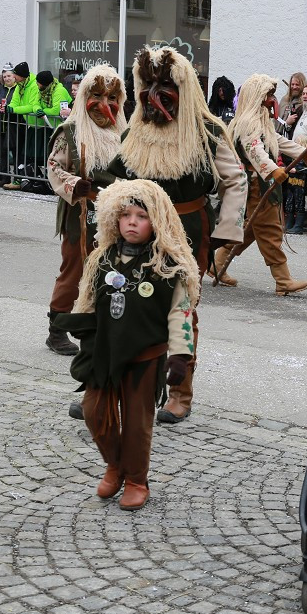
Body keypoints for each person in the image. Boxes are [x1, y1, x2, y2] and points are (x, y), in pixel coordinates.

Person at [108, 47, 247, 425]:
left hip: (188, 229)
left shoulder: (207, 130)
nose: (155, 91)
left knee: (181, 307)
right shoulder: (136, 130)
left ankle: (180, 393)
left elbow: (235, 180)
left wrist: (225, 231)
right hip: (137, 231)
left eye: (165, 83)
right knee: (132, 305)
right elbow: (117, 178)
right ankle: (128, 387)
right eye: (148, 83)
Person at [54, 180, 198, 510]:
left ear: (157, 221)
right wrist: (82, 327)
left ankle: (136, 479)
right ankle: (114, 464)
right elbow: (87, 299)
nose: (132, 222)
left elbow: (182, 312)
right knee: (94, 411)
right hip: (104, 351)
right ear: (113, 220)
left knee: (137, 424)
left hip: (145, 356)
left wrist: (180, 355)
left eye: (141, 216)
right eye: (126, 215)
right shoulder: (102, 258)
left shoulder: (170, 266)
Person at [45, 64, 127, 356]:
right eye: (98, 96)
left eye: (112, 98)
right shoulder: (70, 132)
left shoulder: (125, 135)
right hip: (80, 213)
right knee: (74, 268)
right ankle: (57, 328)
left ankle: (100, 327)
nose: (105, 105)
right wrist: (74, 184)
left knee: (112, 270)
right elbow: (53, 167)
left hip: (116, 213)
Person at [218, 73, 307, 297]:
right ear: (256, 96)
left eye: (272, 94)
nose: (272, 99)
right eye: (268, 94)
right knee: (269, 231)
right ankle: (283, 280)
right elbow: (254, 149)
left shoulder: (261, 120)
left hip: (261, 183)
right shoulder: (248, 122)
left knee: (250, 229)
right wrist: (273, 169)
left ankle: (217, 263)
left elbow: (275, 141)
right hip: (255, 185)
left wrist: (303, 152)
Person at [3, 62, 41, 188]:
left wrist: (14, 110)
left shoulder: (34, 85)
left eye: (15, 75)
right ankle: (19, 179)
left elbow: (31, 106)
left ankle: (31, 179)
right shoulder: (20, 85)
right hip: (25, 123)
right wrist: (9, 107)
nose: (13, 77)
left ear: (22, 76)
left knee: (30, 154)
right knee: (19, 152)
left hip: (37, 125)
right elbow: (14, 101)